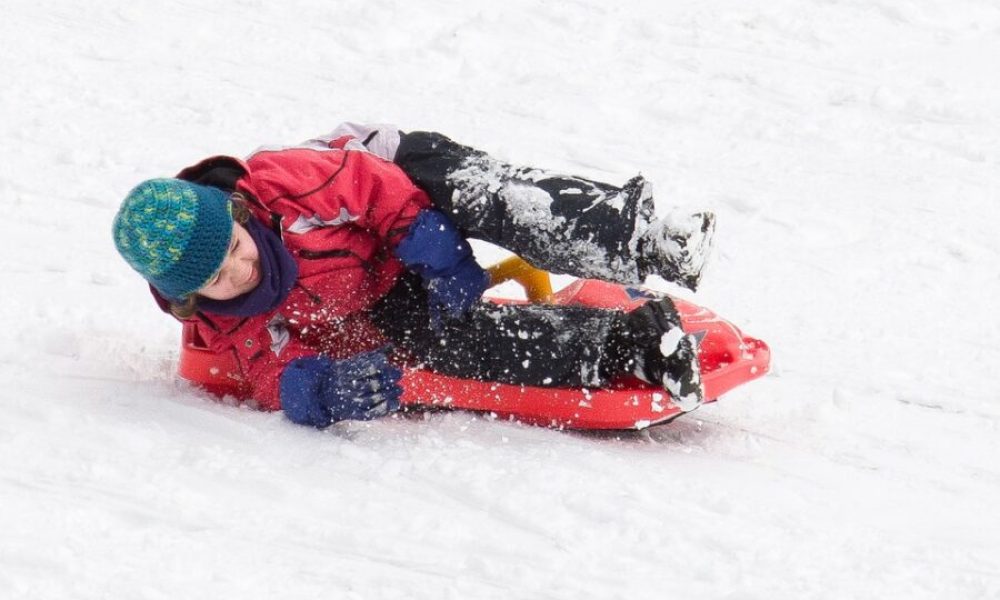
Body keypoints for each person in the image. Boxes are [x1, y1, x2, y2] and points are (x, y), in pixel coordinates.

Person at [112, 123, 714, 428]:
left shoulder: (285, 184)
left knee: (483, 197)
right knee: (446, 343)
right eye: (217, 278)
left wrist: (443, 256)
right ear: (192, 298)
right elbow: (270, 370)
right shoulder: (225, 320)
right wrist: (320, 391)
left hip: (395, 173)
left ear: (239, 214)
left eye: (236, 247)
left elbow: (377, 190)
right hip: (380, 284)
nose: (241, 269)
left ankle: (641, 237)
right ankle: (634, 343)